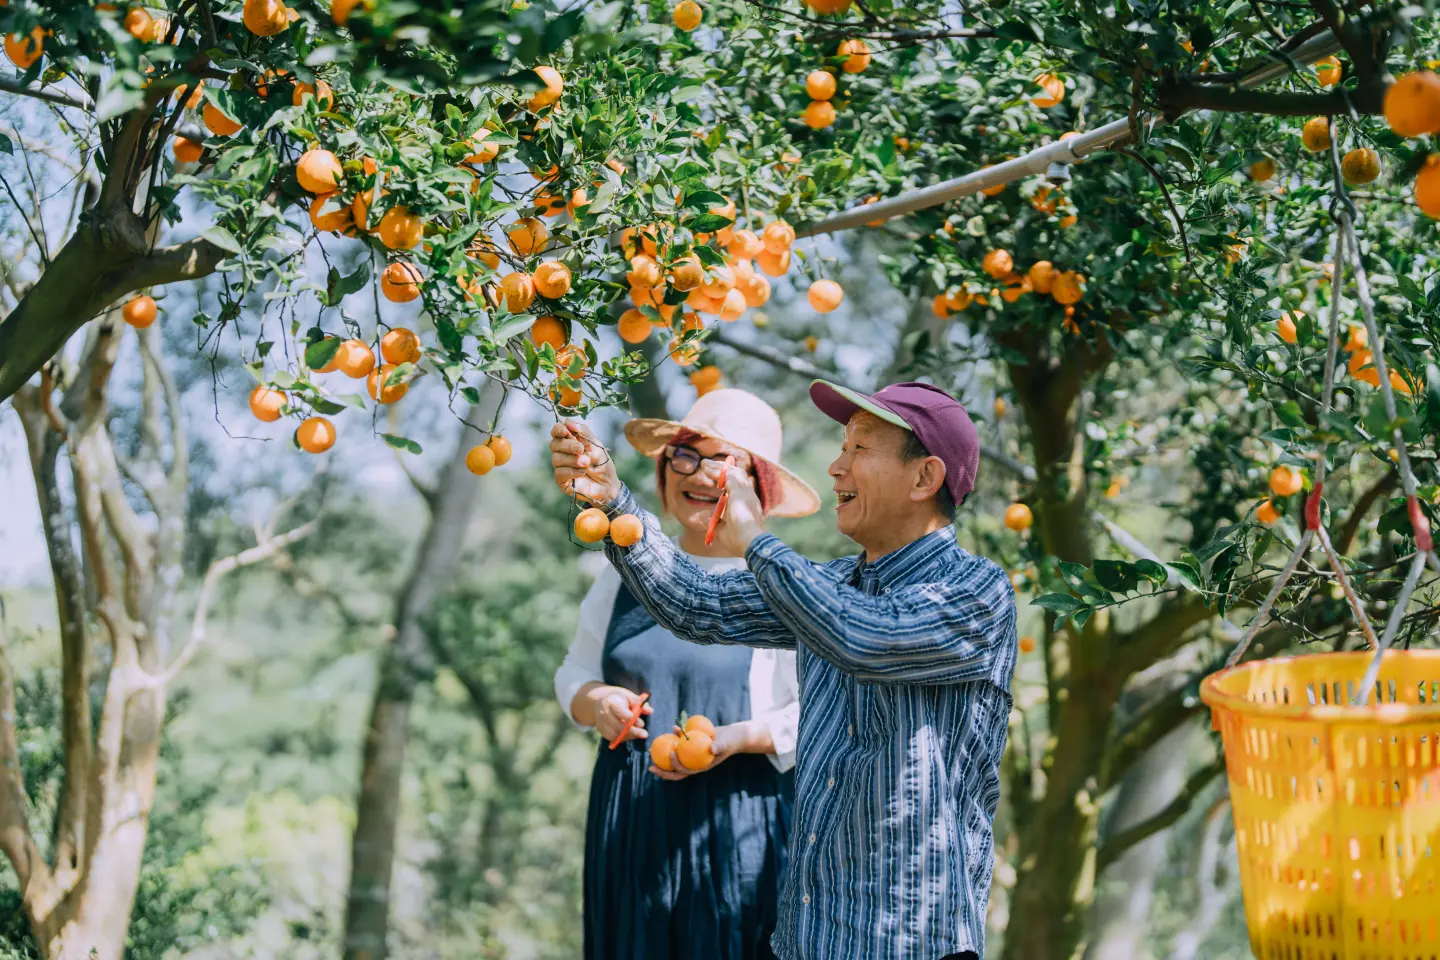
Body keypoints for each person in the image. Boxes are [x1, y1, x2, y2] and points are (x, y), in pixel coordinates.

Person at [551, 380, 1017, 960]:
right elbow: (695, 604)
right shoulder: (831, 583)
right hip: (806, 940)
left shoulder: (976, 592)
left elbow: (864, 635)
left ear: (924, 478)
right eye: (840, 447)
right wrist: (613, 502)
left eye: (858, 450)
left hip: (910, 942)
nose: (835, 466)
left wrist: (754, 541)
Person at [554, 388, 823, 960]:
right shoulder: (624, 567)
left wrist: (736, 739)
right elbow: (573, 669)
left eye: (727, 461)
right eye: (687, 455)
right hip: (630, 816)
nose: (701, 474)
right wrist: (595, 700)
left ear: (758, 487)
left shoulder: (783, 584)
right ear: (664, 467)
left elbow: (819, 718)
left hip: (738, 819)